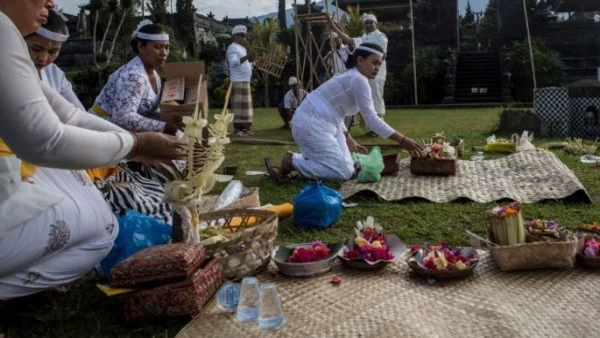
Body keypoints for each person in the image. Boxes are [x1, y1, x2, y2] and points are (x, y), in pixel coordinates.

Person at [0, 0, 185, 301]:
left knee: (101, 214)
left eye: (53, 51)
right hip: (27, 162)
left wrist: (135, 148)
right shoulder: (3, 33)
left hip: (57, 150)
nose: (51, 3)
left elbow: (69, 114)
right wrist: (138, 143)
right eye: (158, 47)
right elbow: (47, 140)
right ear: (140, 47)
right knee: (103, 225)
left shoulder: (21, 53)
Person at [264, 43, 423, 182]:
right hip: (311, 124)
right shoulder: (358, 79)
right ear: (360, 60)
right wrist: (403, 140)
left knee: (351, 166)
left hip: (317, 123)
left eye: (379, 65)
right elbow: (371, 120)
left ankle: (308, 160)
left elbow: (335, 112)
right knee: (344, 172)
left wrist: (351, 142)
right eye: (374, 63)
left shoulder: (353, 77)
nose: (377, 68)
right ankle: (293, 162)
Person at [91, 20, 183, 135]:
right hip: (102, 130)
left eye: (166, 47)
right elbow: (123, 117)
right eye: (158, 47)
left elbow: (149, 112)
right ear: (141, 46)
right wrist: (164, 127)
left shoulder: (154, 74)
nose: (164, 53)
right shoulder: (134, 76)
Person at [332, 14, 388, 137]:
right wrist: (336, 29)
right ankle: (371, 128)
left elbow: (382, 56)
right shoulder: (364, 37)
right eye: (366, 23)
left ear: (375, 24)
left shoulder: (380, 37)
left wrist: (375, 69)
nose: (368, 25)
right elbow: (350, 40)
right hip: (366, 73)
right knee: (368, 98)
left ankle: (378, 129)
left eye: (370, 22)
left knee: (376, 98)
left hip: (376, 73)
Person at [25, 9, 84, 110]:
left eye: (53, 52)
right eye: (36, 49)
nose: (43, 58)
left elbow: (77, 111)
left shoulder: (54, 73)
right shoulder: (9, 72)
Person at [226, 25, 255, 137]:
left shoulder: (242, 48)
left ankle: (245, 128)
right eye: (242, 35)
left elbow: (246, 63)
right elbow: (233, 63)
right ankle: (238, 129)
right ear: (236, 36)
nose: (244, 37)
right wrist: (247, 57)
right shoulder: (232, 47)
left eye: (245, 35)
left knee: (246, 107)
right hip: (238, 80)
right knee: (239, 107)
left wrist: (252, 61)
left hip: (245, 80)